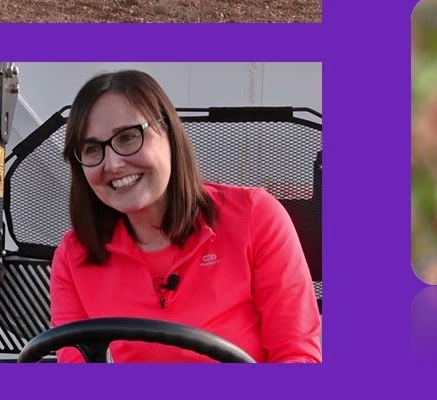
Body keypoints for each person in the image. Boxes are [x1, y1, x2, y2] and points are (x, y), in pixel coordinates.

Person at [49, 70, 322, 363]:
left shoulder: (256, 217)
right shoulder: (73, 256)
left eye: (128, 137)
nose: (113, 163)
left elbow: (296, 355)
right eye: (92, 149)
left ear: (169, 132)